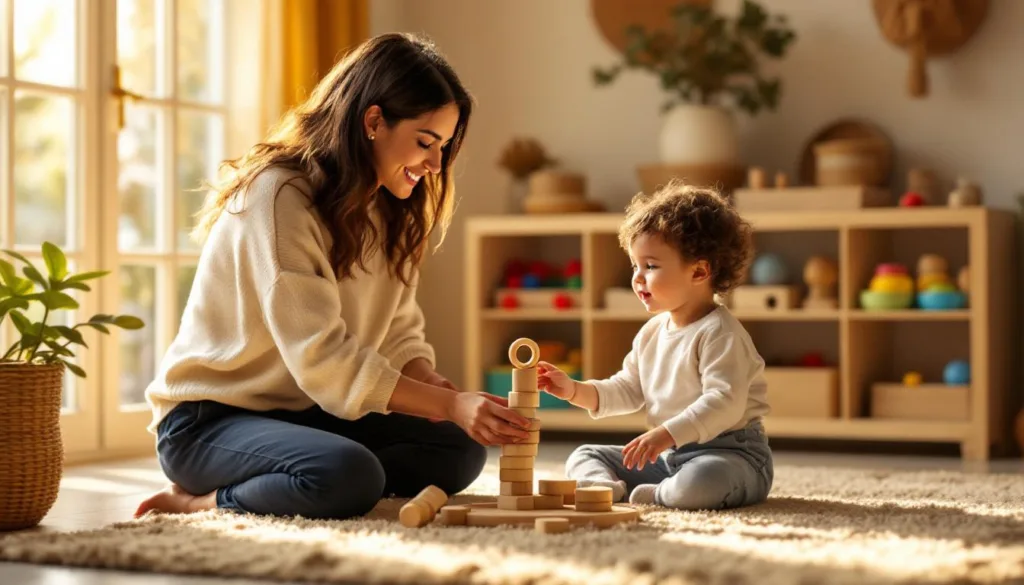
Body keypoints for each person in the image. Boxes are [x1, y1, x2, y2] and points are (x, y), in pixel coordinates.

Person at [135, 33, 532, 521]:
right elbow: (324, 361)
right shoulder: (279, 196)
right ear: (373, 121)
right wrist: (449, 404)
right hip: (208, 421)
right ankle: (201, 500)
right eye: (426, 143)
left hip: (307, 410)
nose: (434, 165)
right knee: (349, 475)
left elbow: (397, 333)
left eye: (443, 148)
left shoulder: (390, 207)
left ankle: (303, 480)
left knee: (458, 449)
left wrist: (439, 392)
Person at [537, 180, 773, 510]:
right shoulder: (651, 333)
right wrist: (573, 390)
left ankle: (662, 494)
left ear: (699, 271)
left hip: (730, 454)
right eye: (635, 265)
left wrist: (664, 433)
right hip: (670, 455)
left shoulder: (721, 333)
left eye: (651, 266)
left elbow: (724, 403)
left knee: (703, 481)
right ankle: (605, 488)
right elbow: (628, 388)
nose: (637, 277)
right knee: (585, 454)